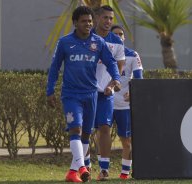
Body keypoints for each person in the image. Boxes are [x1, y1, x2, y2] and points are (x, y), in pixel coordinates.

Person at [46, 6, 120, 183]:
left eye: (90, 21)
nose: (88, 24)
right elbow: (55, 68)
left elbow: (111, 62)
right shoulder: (65, 42)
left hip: (91, 94)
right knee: (76, 129)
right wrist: (50, 90)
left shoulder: (98, 42)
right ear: (75, 23)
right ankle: (81, 168)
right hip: (71, 95)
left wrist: (116, 78)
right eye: (84, 21)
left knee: (86, 134)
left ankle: (72, 173)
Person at [88, 5, 125, 181]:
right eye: (105, 18)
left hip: (105, 93)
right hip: (85, 91)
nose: (108, 21)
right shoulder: (86, 37)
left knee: (104, 128)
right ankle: (84, 167)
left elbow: (119, 68)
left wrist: (111, 85)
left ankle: (104, 169)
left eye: (111, 18)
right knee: (84, 130)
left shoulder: (117, 42)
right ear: (97, 18)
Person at [111, 24, 143, 179]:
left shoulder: (132, 55)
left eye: (121, 34)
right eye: (115, 34)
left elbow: (139, 79)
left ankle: (124, 173)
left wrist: (133, 92)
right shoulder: (103, 54)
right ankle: (100, 170)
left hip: (124, 106)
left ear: (124, 37)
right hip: (106, 103)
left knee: (126, 141)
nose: (118, 36)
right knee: (99, 136)